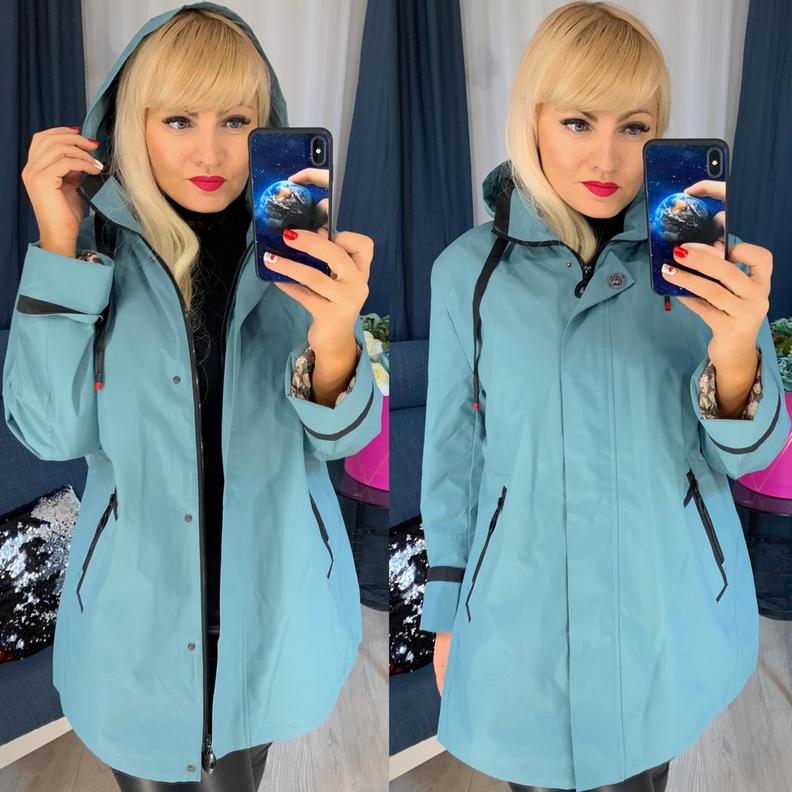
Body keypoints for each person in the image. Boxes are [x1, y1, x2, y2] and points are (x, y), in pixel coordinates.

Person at [6, 3, 382, 789]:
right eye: (179, 119)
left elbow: (347, 441)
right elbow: (48, 431)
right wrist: (57, 242)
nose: (210, 151)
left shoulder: (305, 254)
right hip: (135, 621)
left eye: (236, 120)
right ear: (134, 123)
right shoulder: (88, 255)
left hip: (276, 610)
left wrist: (336, 335)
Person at [418, 3, 789, 792]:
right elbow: (454, 454)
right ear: (533, 119)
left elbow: (751, 454)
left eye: (635, 126)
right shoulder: (466, 274)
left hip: (665, 608)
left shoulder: (710, 268)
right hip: (522, 617)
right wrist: (444, 615)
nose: (608, 156)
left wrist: (735, 347)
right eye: (579, 121)